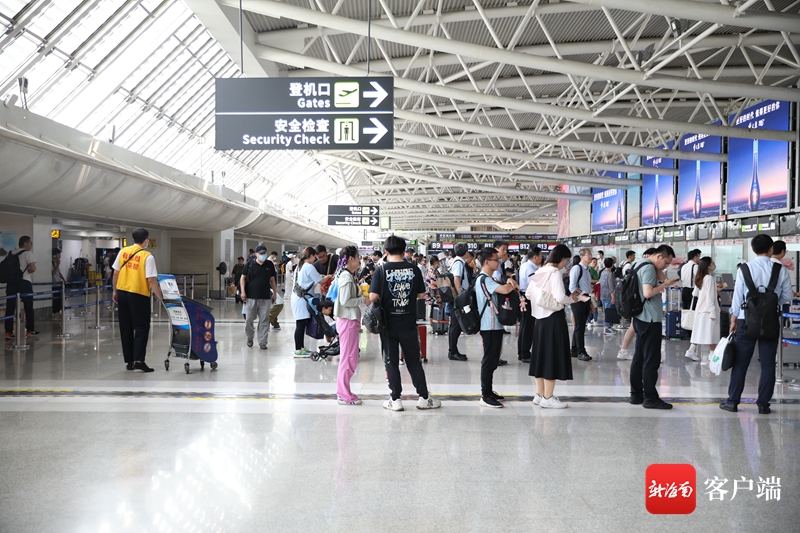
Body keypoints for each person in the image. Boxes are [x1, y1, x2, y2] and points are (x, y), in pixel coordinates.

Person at [721, 234, 793, 414]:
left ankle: (732, 402)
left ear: (753, 250)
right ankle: (763, 404)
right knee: (768, 364)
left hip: (746, 320)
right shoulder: (780, 270)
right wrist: (770, 303)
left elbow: (737, 297)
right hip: (770, 321)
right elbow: (787, 297)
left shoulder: (744, 269)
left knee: (740, 362)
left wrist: (733, 318)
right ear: (771, 249)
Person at [369, 235, 441, 411]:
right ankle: (424, 398)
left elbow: (372, 297)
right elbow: (421, 295)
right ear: (403, 251)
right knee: (413, 361)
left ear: (386, 252)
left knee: (391, 362)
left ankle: (395, 400)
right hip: (408, 323)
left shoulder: (381, 270)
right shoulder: (414, 269)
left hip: (388, 324)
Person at [527, 244, 579, 409]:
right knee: (551, 357)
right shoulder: (555, 273)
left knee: (540, 357)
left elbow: (528, 294)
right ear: (561, 258)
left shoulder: (539, 271)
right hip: (553, 319)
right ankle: (548, 397)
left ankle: (539, 395)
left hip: (539, 320)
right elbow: (559, 297)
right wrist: (572, 299)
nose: (566, 264)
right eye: (566, 260)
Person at [629, 244, 678, 409]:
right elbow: (648, 292)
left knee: (639, 357)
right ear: (659, 256)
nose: (666, 266)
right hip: (650, 319)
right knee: (651, 359)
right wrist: (664, 285)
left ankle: (636, 394)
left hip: (639, 317)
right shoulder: (649, 268)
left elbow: (661, 276)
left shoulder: (639, 263)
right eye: (666, 262)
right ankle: (650, 397)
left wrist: (662, 276)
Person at [112, 228, 163, 372]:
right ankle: (139, 360)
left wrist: (115, 291)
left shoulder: (123, 251)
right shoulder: (147, 256)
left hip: (122, 292)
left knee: (126, 327)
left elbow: (115, 273)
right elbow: (151, 280)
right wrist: (160, 297)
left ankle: (129, 361)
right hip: (138, 294)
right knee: (141, 328)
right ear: (146, 240)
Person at [476, 247, 520, 408]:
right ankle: (485, 394)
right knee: (489, 360)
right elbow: (505, 289)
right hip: (489, 325)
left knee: (493, 359)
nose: (499, 262)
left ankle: (489, 391)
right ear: (487, 262)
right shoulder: (484, 279)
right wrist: (510, 282)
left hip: (494, 325)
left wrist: (508, 281)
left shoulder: (488, 278)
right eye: (496, 260)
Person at [335, 246, 367, 405]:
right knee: (348, 358)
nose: (360, 260)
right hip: (347, 321)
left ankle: (344, 391)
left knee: (350, 357)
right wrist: (363, 300)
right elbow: (345, 301)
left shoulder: (348, 274)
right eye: (358, 257)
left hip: (349, 320)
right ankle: (343, 394)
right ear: (351, 259)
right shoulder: (346, 277)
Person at [292, 246, 332, 357]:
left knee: (301, 324)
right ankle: (298, 350)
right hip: (301, 299)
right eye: (315, 256)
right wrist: (328, 276)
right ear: (311, 255)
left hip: (297, 298)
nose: (315, 259)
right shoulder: (309, 266)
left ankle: (301, 348)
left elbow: (309, 279)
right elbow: (321, 281)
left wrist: (320, 276)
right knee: (300, 325)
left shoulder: (300, 266)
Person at [240, 245, 277, 350]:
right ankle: (250, 337)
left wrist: (274, 293)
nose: (263, 255)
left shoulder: (269, 264)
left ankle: (262, 342)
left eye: (264, 253)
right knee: (249, 319)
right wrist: (243, 292)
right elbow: (243, 278)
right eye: (261, 253)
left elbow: (272, 279)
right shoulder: (249, 264)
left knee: (264, 320)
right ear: (256, 254)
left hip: (265, 297)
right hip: (251, 296)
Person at [685, 257, 720, 363]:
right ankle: (712, 355)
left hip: (700, 310)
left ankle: (691, 351)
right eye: (712, 263)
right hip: (708, 311)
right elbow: (710, 298)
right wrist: (713, 312)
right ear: (708, 265)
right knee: (712, 333)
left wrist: (715, 289)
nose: (714, 265)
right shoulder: (709, 278)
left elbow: (695, 293)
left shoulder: (700, 277)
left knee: (699, 331)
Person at [3, 236, 38, 339]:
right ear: (25, 243)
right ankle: (30, 330)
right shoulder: (28, 254)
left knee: (10, 307)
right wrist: (28, 271)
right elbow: (33, 268)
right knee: (28, 307)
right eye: (30, 243)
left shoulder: (10, 253)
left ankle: (8, 331)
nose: (31, 245)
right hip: (24, 283)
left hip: (11, 283)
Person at [517, 247, 542, 363]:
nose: (541, 258)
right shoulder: (530, 268)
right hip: (528, 298)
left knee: (525, 326)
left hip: (526, 296)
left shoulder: (526, 266)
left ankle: (522, 352)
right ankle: (525, 353)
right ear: (535, 257)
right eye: (540, 255)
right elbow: (535, 284)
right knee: (528, 327)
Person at [569, 248, 594, 362]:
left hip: (585, 298)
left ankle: (574, 349)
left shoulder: (587, 270)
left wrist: (590, 302)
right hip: (578, 300)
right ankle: (581, 351)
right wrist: (584, 299)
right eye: (588, 255)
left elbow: (587, 288)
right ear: (582, 257)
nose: (590, 257)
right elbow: (572, 287)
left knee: (581, 325)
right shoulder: (577, 268)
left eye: (591, 254)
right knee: (580, 326)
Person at [448, 243, 471, 362]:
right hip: (457, 298)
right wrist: (460, 297)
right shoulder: (458, 263)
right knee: (456, 325)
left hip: (455, 298)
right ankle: (452, 352)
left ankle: (453, 351)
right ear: (466, 252)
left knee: (455, 324)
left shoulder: (457, 261)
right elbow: (456, 280)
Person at [599, 258, 616, 336]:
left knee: (607, 310)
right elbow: (611, 286)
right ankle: (606, 328)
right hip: (608, 295)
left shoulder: (603, 272)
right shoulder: (610, 274)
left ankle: (609, 327)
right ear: (612, 264)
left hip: (603, 294)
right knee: (608, 311)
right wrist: (613, 296)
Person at [52, 248, 66, 316]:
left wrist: (63, 280)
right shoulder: (52, 263)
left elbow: (59, 273)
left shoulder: (55, 263)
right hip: (54, 284)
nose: (60, 256)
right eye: (58, 254)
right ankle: (55, 312)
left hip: (59, 283)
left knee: (60, 298)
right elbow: (53, 273)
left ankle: (58, 310)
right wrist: (57, 264)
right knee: (56, 299)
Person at [587, 257, 600, 327]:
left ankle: (594, 319)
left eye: (596, 262)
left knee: (595, 305)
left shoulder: (594, 270)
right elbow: (590, 280)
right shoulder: (589, 270)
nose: (595, 263)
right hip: (591, 290)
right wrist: (598, 281)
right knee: (592, 305)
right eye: (593, 262)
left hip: (595, 290)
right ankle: (590, 320)